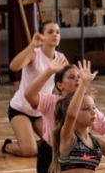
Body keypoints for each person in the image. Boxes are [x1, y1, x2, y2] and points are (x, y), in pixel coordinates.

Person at [4, 21, 67, 157]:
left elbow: (69, 80)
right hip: (20, 109)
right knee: (29, 151)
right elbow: (13, 67)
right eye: (50, 32)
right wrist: (32, 45)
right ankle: (8, 146)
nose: (55, 35)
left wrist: (82, 86)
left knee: (58, 144)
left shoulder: (61, 58)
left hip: (40, 112)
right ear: (42, 36)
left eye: (57, 32)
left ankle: (34, 142)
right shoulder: (34, 55)